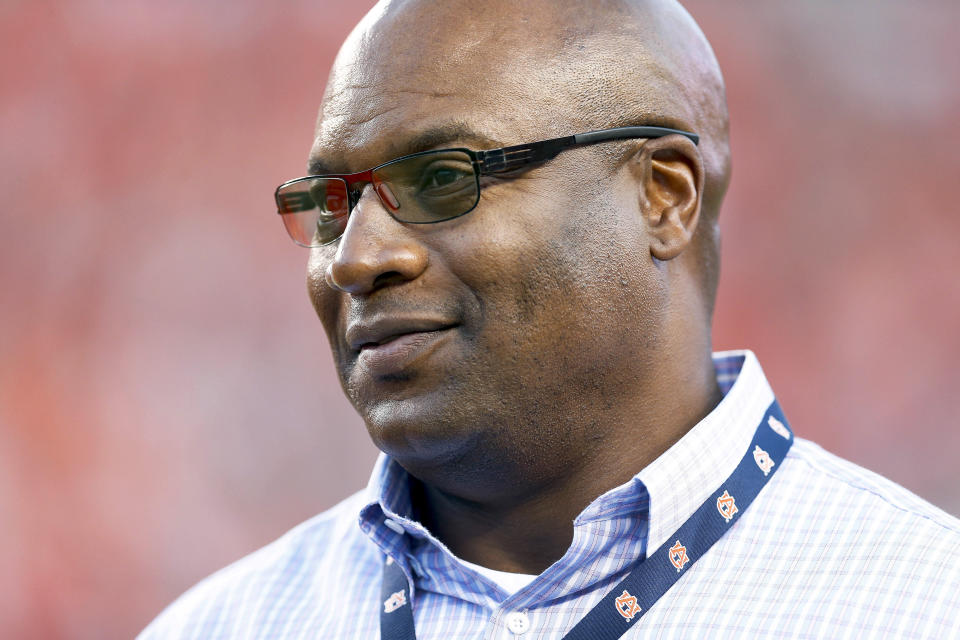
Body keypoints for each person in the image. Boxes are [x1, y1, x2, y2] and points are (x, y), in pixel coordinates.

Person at [140, 0, 960, 637]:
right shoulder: (220, 627)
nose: (355, 259)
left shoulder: (921, 605)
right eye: (329, 206)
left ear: (664, 197)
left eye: (441, 178)